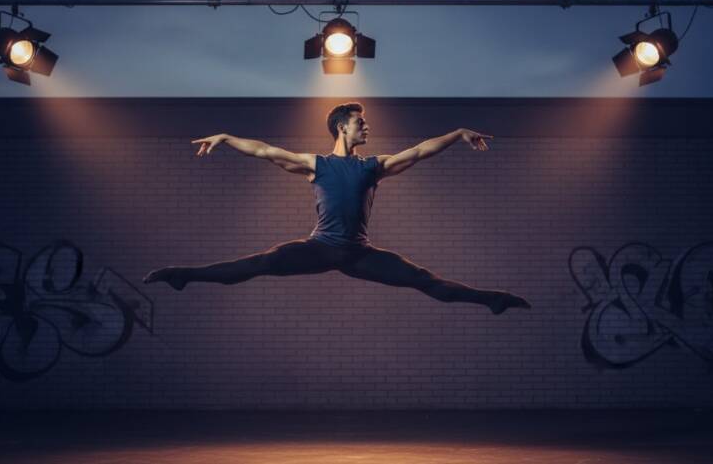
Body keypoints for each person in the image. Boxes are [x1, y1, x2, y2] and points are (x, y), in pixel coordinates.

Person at [143, 102, 531, 314]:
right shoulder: (317, 164)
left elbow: (418, 151)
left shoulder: (373, 166)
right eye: (360, 122)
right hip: (320, 248)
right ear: (342, 127)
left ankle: (492, 300)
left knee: (427, 282)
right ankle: (182, 275)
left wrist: (457, 133)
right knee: (256, 264)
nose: (367, 127)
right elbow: (264, 150)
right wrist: (227, 137)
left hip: (359, 254)